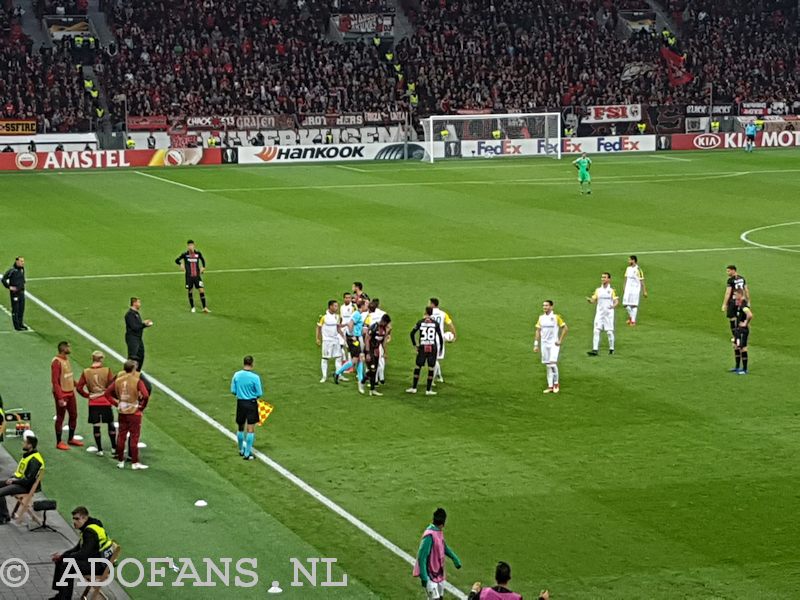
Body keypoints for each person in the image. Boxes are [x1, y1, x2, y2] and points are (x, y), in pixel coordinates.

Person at [50, 506, 114, 599]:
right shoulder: (88, 528)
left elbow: (84, 554)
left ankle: (64, 597)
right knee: (61, 561)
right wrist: (63, 556)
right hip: (96, 561)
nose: (74, 522)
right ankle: (61, 595)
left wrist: (66, 558)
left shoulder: (90, 532)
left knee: (68, 566)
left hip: (101, 566)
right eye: (73, 519)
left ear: (84, 518)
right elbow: (77, 548)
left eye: (77, 519)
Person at [105, 359, 150, 469]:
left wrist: (116, 403)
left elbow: (107, 393)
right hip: (134, 412)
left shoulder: (118, 380)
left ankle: (120, 461)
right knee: (134, 437)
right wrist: (142, 407)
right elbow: (146, 395)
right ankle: (135, 462)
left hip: (122, 411)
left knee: (121, 436)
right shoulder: (137, 381)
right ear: (133, 369)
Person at [413, 507, 462, 600]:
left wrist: (455, 559)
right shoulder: (429, 536)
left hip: (439, 574)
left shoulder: (438, 532)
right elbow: (421, 557)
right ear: (444, 522)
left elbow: (444, 547)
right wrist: (424, 577)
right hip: (430, 575)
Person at [75, 351, 116, 456]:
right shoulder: (107, 370)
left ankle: (100, 450)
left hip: (93, 402)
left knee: (96, 426)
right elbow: (112, 386)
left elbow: (79, 388)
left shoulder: (86, 372)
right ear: (101, 359)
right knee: (110, 424)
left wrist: (87, 395)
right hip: (106, 401)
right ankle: (114, 448)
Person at [0, 434, 43, 524]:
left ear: (30, 445)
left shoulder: (34, 460)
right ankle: (4, 514)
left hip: (25, 486)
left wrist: (14, 481)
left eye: (25, 442)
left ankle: (4, 517)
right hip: (19, 482)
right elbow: (22, 473)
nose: (22, 444)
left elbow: (28, 480)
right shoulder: (28, 455)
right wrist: (13, 478)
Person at [52, 341, 83, 450]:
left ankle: (71, 438)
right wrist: (60, 397)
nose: (70, 348)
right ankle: (59, 442)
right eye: (68, 347)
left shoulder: (66, 360)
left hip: (70, 392)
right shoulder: (56, 362)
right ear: (63, 348)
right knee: (60, 417)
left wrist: (77, 384)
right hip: (63, 393)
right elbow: (55, 382)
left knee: (74, 415)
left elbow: (68, 376)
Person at [231, 355, 263, 460]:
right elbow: (259, 393)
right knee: (250, 429)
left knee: (240, 427)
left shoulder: (236, 375)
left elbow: (233, 391)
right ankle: (247, 453)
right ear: (252, 364)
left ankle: (241, 449)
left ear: (244, 363)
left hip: (240, 403)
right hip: (251, 403)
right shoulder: (255, 377)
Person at [407, 306, 443, 395]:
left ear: (425, 312)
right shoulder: (435, 323)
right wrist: (440, 348)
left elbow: (412, 333)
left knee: (418, 367)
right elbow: (440, 337)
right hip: (432, 347)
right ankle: (428, 390)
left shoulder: (420, 322)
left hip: (423, 347)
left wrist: (415, 345)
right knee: (431, 368)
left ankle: (414, 388)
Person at [334, 299, 368, 393]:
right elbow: (350, 324)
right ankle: (338, 373)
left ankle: (360, 382)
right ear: (362, 306)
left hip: (356, 338)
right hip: (354, 339)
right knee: (355, 360)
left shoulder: (357, 314)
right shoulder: (357, 314)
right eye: (366, 305)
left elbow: (350, 323)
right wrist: (352, 335)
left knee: (359, 359)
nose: (367, 306)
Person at [534, 300, 568, 394]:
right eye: (544, 305)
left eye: (547, 305)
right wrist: (536, 344)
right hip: (544, 344)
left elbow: (565, 328)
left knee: (552, 363)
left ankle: (556, 384)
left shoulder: (556, 317)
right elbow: (538, 330)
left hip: (553, 344)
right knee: (548, 365)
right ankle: (550, 386)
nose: (545, 307)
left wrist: (560, 340)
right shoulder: (541, 318)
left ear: (551, 307)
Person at [468, 561, 546, 600]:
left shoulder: (484, 593)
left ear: (496, 577)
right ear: (509, 578)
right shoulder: (516, 598)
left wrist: (473, 591)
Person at [586, 272, 618, 356]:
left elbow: (616, 301)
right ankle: (595, 350)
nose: (602, 279)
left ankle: (611, 349)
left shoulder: (611, 291)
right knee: (596, 331)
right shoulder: (598, 290)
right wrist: (590, 301)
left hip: (608, 314)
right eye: (602, 277)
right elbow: (594, 300)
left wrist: (613, 306)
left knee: (609, 332)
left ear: (609, 279)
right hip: (599, 314)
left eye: (604, 277)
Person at [175, 240, 209, 313]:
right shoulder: (185, 254)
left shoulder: (198, 253)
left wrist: (203, 267)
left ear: (194, 245)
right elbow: (176, 260)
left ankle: (204, 307)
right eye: (189, 245)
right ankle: (192, 307)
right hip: (189, 277)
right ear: (187, 246)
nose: (190, 247)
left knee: (201, 290)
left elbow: (202, 259)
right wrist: (180, 264)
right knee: (190, 291)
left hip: (197, 276)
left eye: (191, 245)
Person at [429, 298, 456, 383]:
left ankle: (433, 380)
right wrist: (454, 335)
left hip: (431, 338)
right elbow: (450, 324)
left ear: (433, 304)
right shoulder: (443, 314)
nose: (429, 304)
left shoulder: (429, 313)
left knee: (433, 359)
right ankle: (439, 376)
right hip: (440, 339)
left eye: (430, 303)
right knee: (435, 359)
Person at [364, 313, 392, 396]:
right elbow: (367, 339)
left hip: (376, 351)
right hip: (370, 350)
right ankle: (364, 382)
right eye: (387, 323)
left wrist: (385, 353)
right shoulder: (374, 327)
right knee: (372, 369)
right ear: (384, 322)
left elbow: (383, 343)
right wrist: (368, 353)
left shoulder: (384, 330)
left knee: (374, 370)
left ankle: (371, 389)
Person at [317, 299, 343, 383]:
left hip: (336, 340)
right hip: (327, 341)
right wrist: (318, 338)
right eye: (335, 306)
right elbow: (318, 328)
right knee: (325, 358)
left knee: (339, 357)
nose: (337, 307)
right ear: (330, 307)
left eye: (337, 306)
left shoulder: (337, 316)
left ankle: (338, 375)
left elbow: (338, 328)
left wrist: (344, 337)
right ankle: (324, 377)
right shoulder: (324, 317)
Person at [125, 297, 153, 371]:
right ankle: (129, 372)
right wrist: (145, 325)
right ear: (134, 303)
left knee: (141, 355)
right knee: (133, 356)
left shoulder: (136, 313)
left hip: (138, 338)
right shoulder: (129, 314)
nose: (140, 304)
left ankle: (137, 371)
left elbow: (137, 324)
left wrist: (143, 322)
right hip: (132, 338)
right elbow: (134, 327)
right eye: (139, 302)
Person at [721, 265, 749, 337]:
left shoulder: (730, 280)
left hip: (733, 301)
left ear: (733, 270)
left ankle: (735, 336)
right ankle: (741, 334)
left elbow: (728, 293)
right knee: (740, 318)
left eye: (728, 271)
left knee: (732, 318)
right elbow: (746, 290)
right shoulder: (742, 278)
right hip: (742, 301)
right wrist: (748, 301)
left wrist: (724, 304)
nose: (727, 273)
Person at [730, 288, 753, 374]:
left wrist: (745, 323)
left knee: (743, 348)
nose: (734, 297)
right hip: (738, 329)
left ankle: (744, 369)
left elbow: (750, 315)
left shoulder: (743, 305)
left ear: (740, 295)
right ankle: (737, 367)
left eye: (736, 295)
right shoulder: (739, 303)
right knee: (735, 345)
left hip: (743, 330)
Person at [2, 256, 27, 330]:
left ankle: (20, 323)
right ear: (17, 262)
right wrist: (9, 287)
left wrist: (23, 282)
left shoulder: (22, 269)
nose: (23, 263)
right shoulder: (12, 270)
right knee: (15, 309)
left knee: (21, 309)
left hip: (22, 292)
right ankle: (17, 326)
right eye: (21, 261)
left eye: (23, 261)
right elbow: (4, 279)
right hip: (15, 294)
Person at [622, 255, 648, 326]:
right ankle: (631, 317)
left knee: (634, 305)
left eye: (629, 260)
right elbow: (626, 278)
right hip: (628, 289)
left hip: (635, 289)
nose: (628, 261)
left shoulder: (638, 269)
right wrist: (624, 287)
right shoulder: (628, 268)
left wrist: (644, 291)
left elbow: (642, 281)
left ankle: (633, 321)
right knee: (625, 304)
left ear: (633, 260)